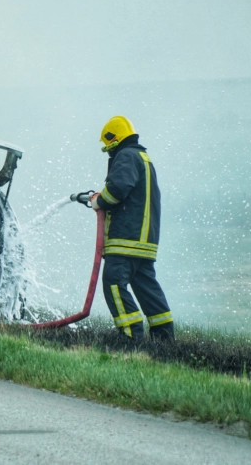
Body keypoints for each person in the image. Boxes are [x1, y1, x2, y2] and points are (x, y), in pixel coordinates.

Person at [89, 115, 175, 341]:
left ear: (114, 140)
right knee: (147, 288)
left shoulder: (126, 155)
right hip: (144, 242)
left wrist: (99, 201)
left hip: (126, 240)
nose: (108, 152)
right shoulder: (143, 157)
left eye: (108, 147)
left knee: (114, 284)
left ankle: (131, 336)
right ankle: (164, 339)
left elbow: (117, 189)